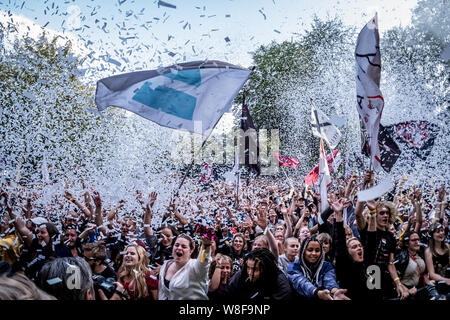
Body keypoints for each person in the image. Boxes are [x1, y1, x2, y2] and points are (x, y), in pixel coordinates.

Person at [287, 235, 350, 300]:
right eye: (310, 250)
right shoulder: (294, 266)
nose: (314, 253)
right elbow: (301, 283)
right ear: (303, 251)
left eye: (317, 250)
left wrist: (336, 292)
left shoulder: (327, 266)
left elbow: (330, 281)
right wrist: (317, 293)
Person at [220, 248, 295, 301]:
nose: (249, 272)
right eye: (248, 268)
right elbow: (227, 293)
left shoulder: (280, 283)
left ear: (266, 269)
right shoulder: (243, 274)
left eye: (255, 269)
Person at [158, 234, 212, 300]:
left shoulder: (195, 267)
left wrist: (206, 246)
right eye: (177, 245)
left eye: (184, 247)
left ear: (191, 251)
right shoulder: (166, 265)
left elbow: (203, 262)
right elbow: (162, 293)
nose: (179, 248)